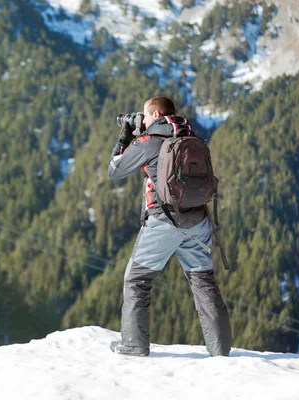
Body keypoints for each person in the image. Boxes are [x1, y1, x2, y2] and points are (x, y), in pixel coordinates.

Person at [108, 96, 232, 357]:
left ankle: (133, 345)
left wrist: (125, 135)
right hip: (198, 220)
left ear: (154, 115)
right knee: (203, 282)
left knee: (137, 281)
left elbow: (115, 169)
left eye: (144, 115)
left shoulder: (148, 142)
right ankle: (221, 353)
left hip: (164, 220)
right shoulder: (192, 136)